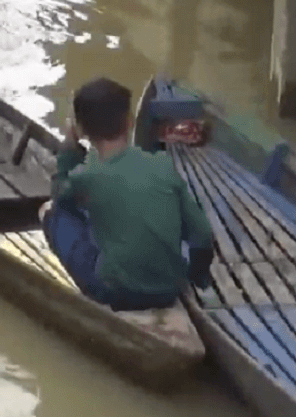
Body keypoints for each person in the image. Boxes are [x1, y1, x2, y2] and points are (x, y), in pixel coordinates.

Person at [43, 77, 215, 311]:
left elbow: (59, 194)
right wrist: (198, 277)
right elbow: (203, 235)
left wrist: (69, 146)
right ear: (130, 122)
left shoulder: (86, 176)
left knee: (55, 214)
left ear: (81, 129)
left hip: (116, 293)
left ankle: (97, 291)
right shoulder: (162, 165)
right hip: (169, 290)